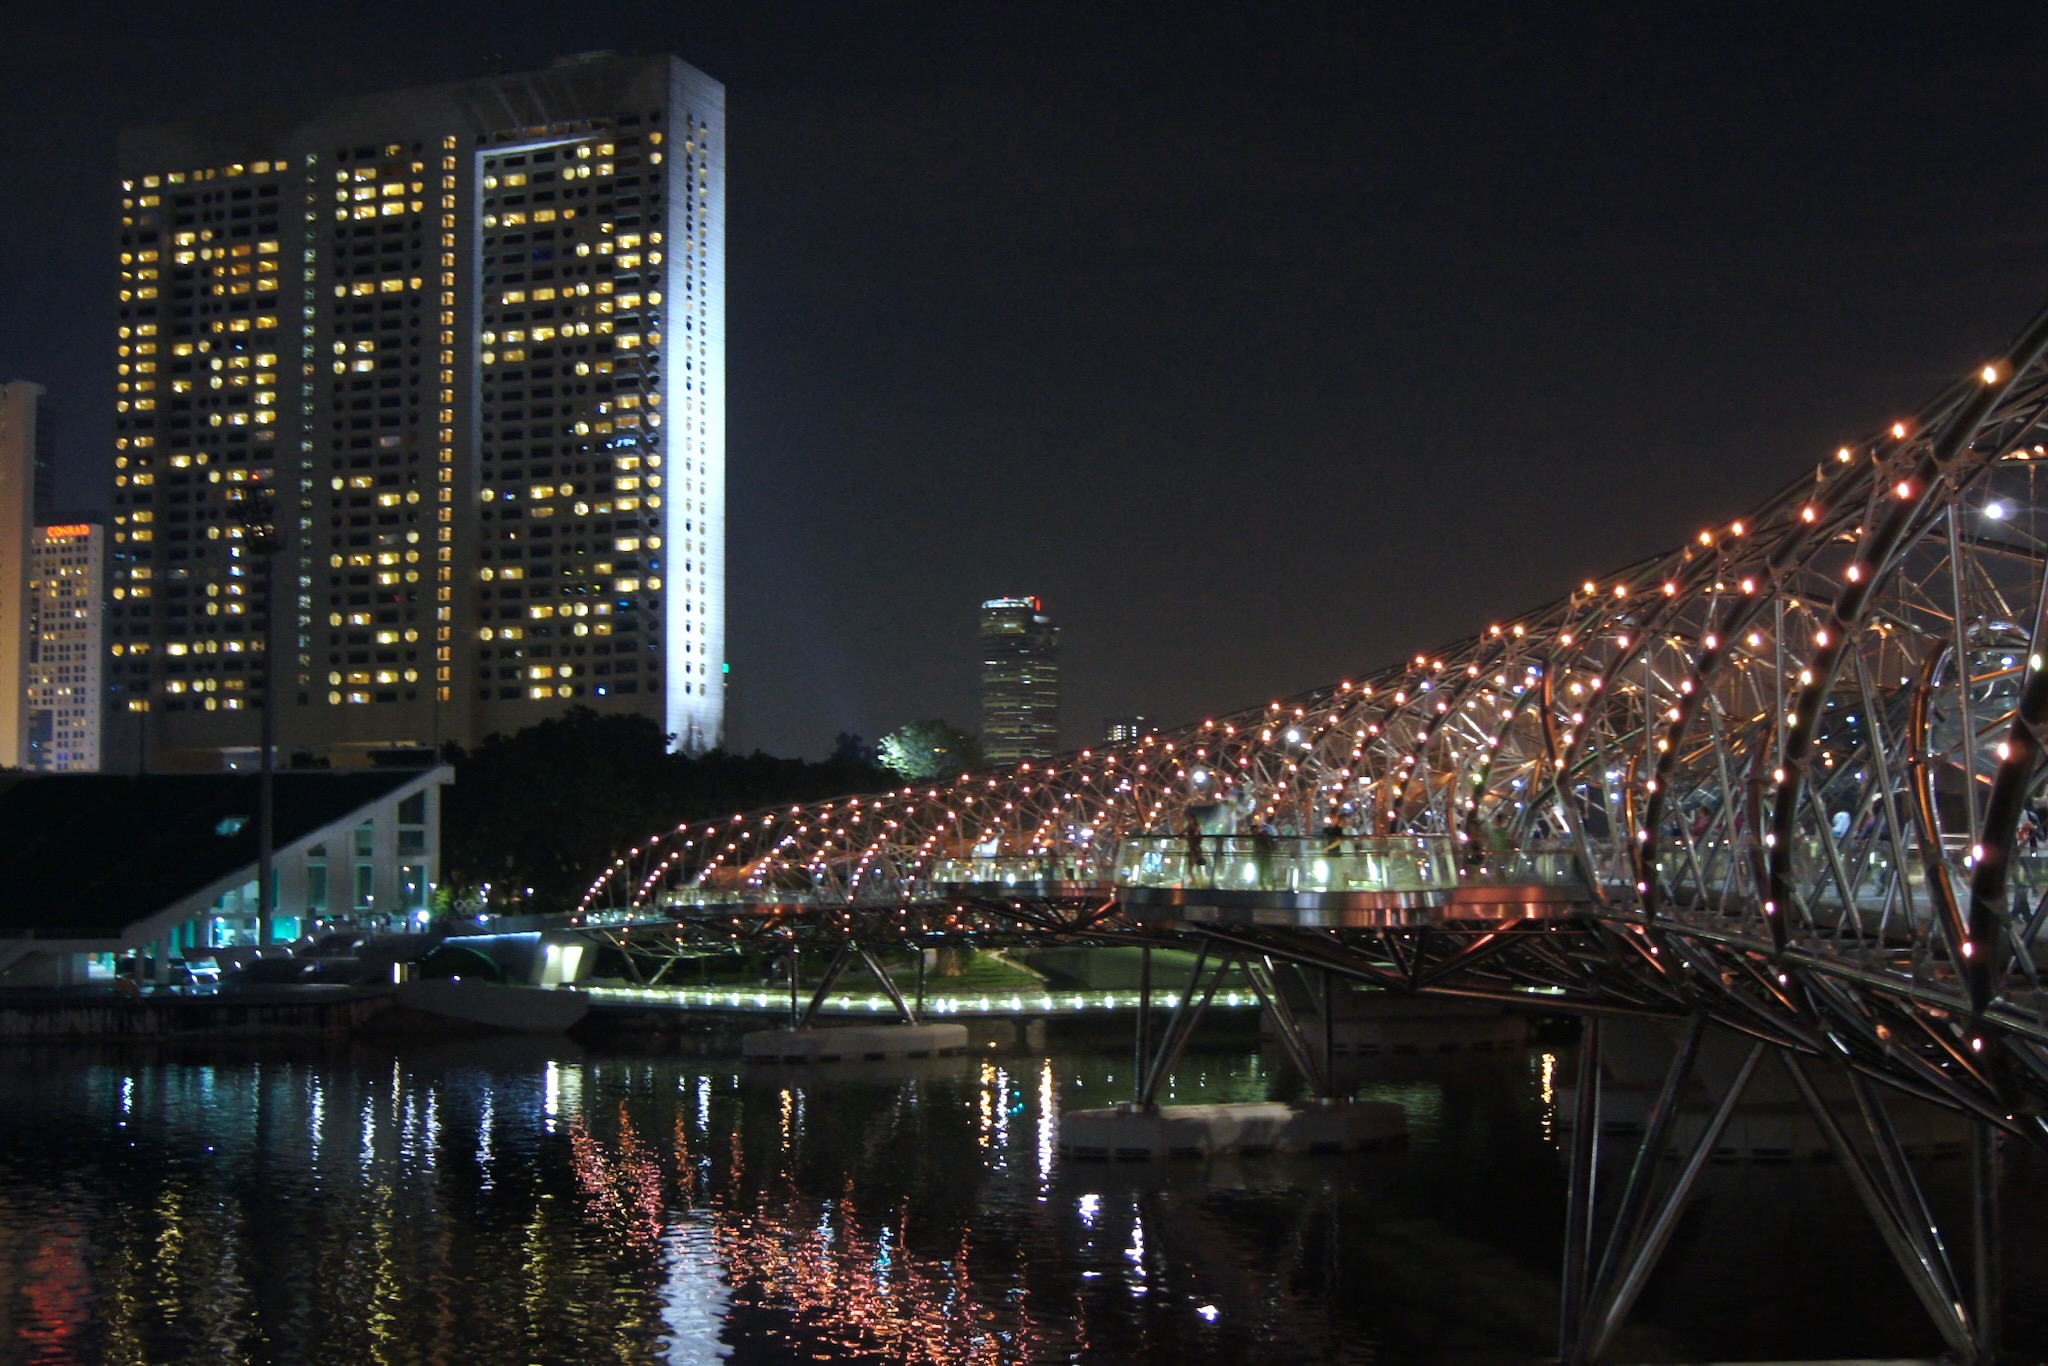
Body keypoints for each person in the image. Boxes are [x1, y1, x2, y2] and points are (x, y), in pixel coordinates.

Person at [1183, 811, 1207, 884]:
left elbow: (1195, 835)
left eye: (1190, 819)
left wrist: (1188, 837)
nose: (1189, 821)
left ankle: (1199, 883)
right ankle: (1196, 882)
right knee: (1191, 868)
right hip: (1192, 849)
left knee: (1198, 867)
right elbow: (1182, 832)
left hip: (1196, 849)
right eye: (1188, 819)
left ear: (1194, 819)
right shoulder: (1189, 827)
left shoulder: (1196, 827)